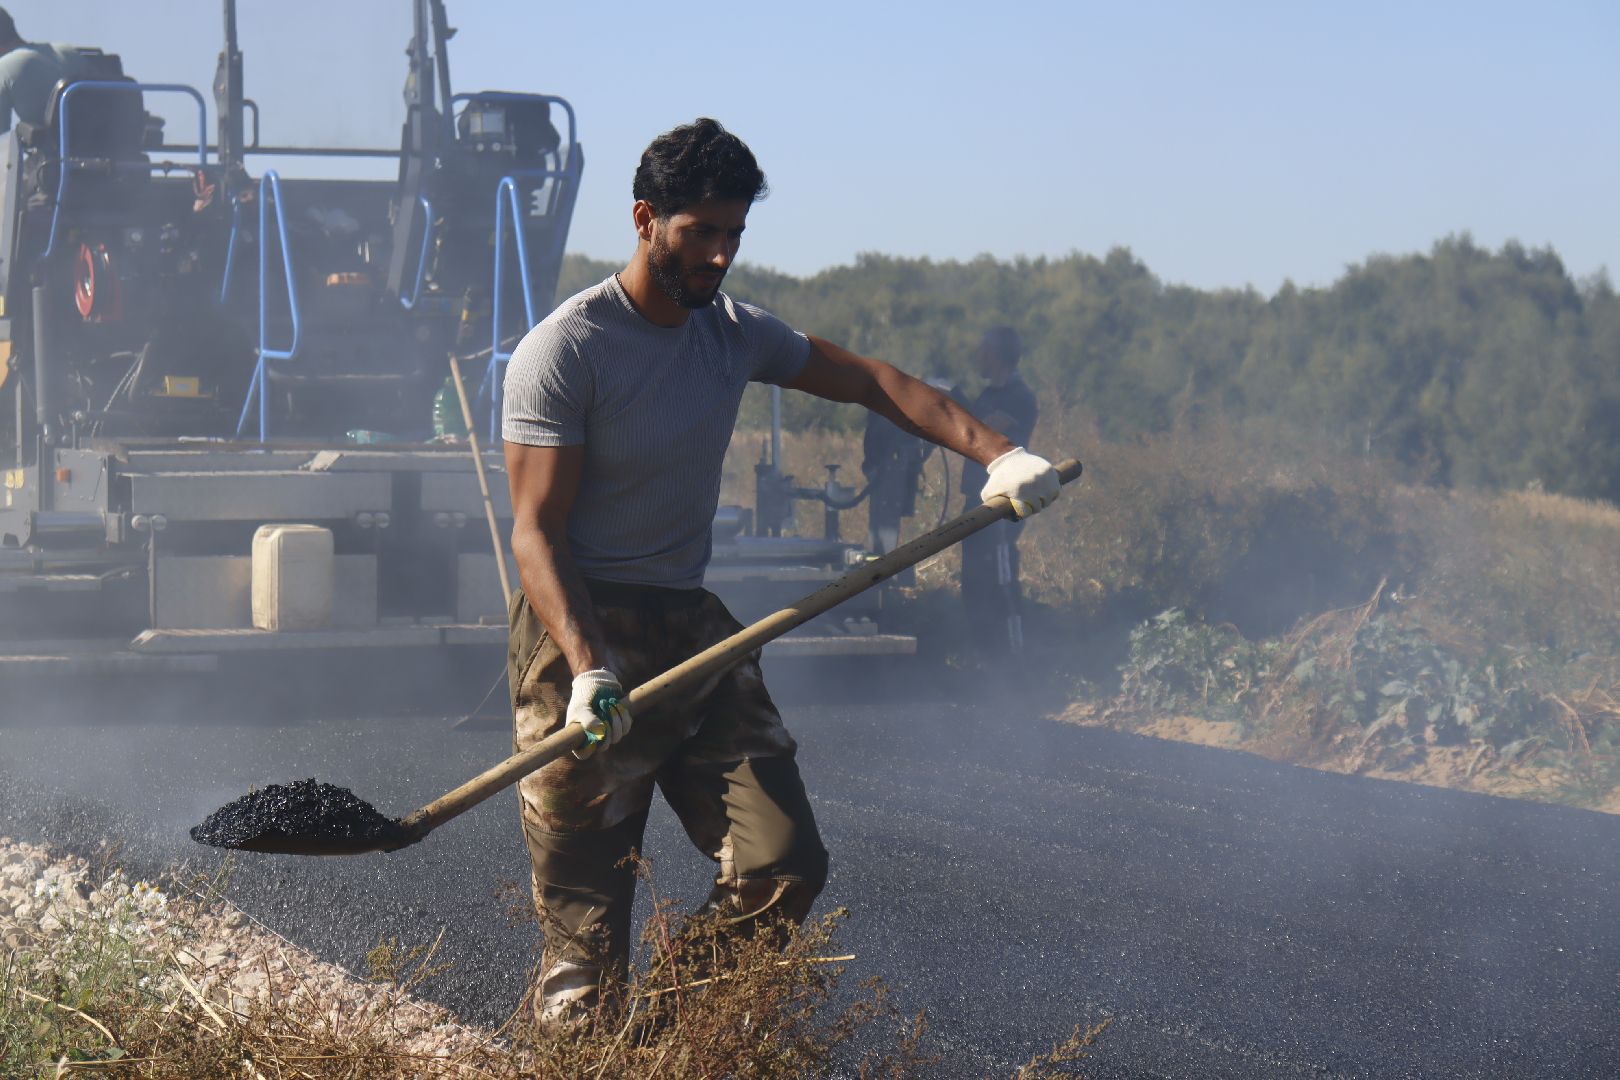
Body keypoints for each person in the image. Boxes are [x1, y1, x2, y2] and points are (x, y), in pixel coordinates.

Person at [501, 118, 1061, 1028]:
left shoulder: (733, 335)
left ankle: (670, 1046)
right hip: (578, 639)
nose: (720, 256)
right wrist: (591, 664)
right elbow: (537, 533)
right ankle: (586, 1042)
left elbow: (877, 383)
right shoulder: (566, 350)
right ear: (646, 220)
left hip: (691, 629)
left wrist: (999, 453)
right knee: (583, 951)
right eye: (700, 234)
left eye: (734, 236)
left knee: (782, 862)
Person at [958, 327, 1040, 656]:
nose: (978, 356)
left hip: (1002, 506)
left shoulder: (1019, 397)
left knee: (1000, 584)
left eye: (983, 350)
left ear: (997, 355)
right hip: (975, 501)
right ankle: (985, 659)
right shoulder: (987, 396)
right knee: (975, 584)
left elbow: (986, 430)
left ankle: (1013, 659)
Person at [0, 8, 90, 134]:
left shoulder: (3, 68)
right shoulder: (68, 51)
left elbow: (1, 138)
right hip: (105, 141)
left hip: (57, 148)